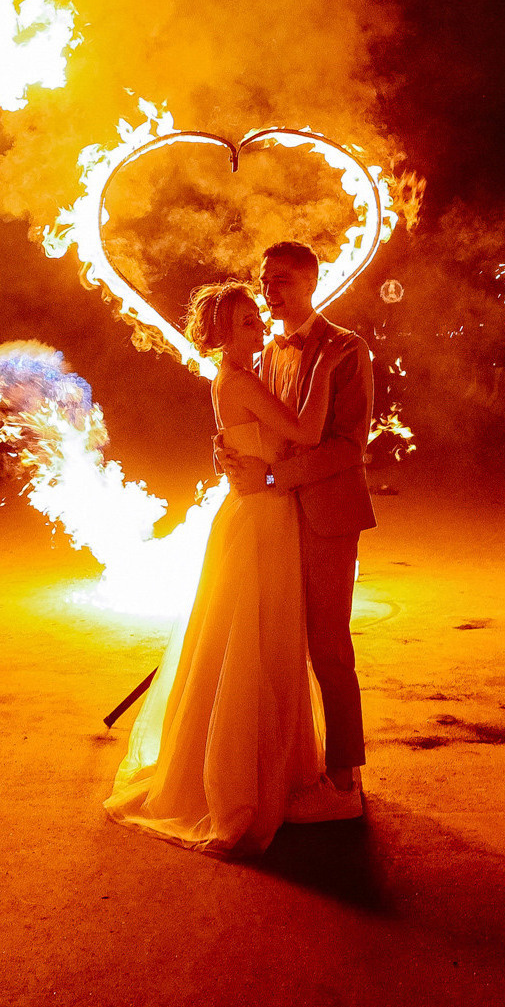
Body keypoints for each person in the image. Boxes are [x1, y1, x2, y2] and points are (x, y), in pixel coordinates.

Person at [107, 280, 357, 853]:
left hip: (259, 511)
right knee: (252, 643)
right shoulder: (240, 378)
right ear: (223, 333)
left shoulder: (242, 374)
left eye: (256, 318)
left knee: (254, 642)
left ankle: (262, 768)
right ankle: (243, 779)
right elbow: (306, 432)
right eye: (247, 322)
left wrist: (227, 449)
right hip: (260, 518)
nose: (259, 326)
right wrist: (324, 371)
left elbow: (249, 436)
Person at [216, 241, 377, 808]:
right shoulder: (263, 354)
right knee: (276, 644)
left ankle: (344, 772)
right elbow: (268, 427)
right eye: (265, 280)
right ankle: (285, 764)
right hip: (275, 517)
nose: (269, 291)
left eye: (281, 280)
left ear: (311, 282)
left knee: (328, 646)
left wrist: (271, 477)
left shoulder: (347, 349)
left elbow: (348, 446)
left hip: (327, 516)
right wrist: (230, 448)